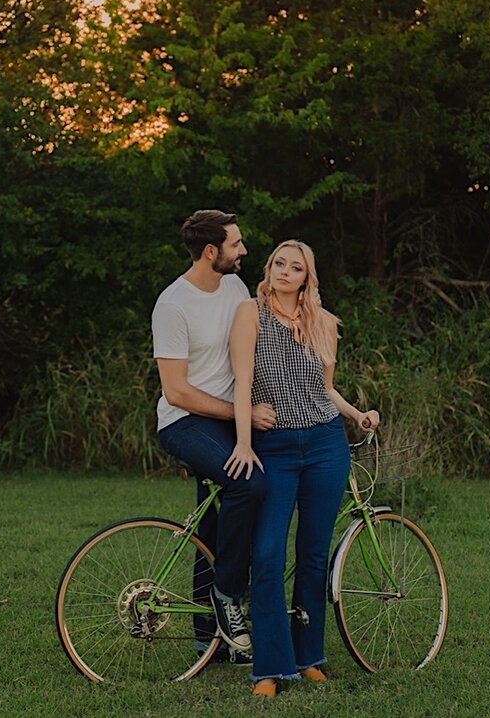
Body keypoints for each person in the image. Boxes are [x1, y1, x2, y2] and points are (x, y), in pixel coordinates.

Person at [226, 240, 377, 697]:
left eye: (296, 267)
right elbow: (242, 383)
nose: (285, 272)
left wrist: (357, 415)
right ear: (268, 268)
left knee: (314, 553)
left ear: (307, 278)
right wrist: (245, 443)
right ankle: (270, 667)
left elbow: (324, 390)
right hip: (273, 448)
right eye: (278, 264)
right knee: (269, 554)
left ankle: (309, 654)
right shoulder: (250, 314)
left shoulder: (322, 323)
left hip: (326, 445)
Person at [149, 209, 277, 659]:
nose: (243, 251)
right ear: (211, 251)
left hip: (229, 420)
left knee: (214, 524)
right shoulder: (173, 305)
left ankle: (209, 639)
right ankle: (226, 598)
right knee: (249, 482)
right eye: (235, 244)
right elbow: (177, 390)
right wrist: (240, 415)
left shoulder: (235, 287)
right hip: (185, 422)